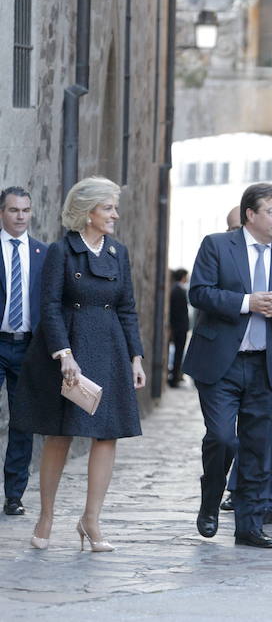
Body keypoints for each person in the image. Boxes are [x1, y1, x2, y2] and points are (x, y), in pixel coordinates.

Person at [13, 176, 146, 551]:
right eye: (108, 208)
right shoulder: (62, 251)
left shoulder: (118, 254)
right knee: (59, 433)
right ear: (88, 213)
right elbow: (50, 306)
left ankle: (91, 520)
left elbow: (127, 309)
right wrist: (64, 354)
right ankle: (46, 516)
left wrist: (136, 356)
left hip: (110, 349)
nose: (115, 215)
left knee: (107, 435)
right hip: (68, 352)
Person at [183, 183, 272, 549]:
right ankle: (210, 499)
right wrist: (247, 302)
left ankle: (249, 525)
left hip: (264, 363)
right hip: (221, 362)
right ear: (250, 214)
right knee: (222, 437)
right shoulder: (217, 245)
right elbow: (199, 292)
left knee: (256, 446)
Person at [0, 187, 48, 516]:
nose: (21, 216)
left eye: (26, 210)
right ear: (2, 213)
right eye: (14, 210)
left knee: (22, 423)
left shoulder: (43, 253)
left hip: (28, 347)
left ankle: (14, 495)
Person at [168, 268, 189, 388]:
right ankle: (175, 378)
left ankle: (176, 377)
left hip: (178, 327)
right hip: (179, 328)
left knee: (178, 352)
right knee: (178, 353)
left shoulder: (177, 289)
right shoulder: (178, 290)